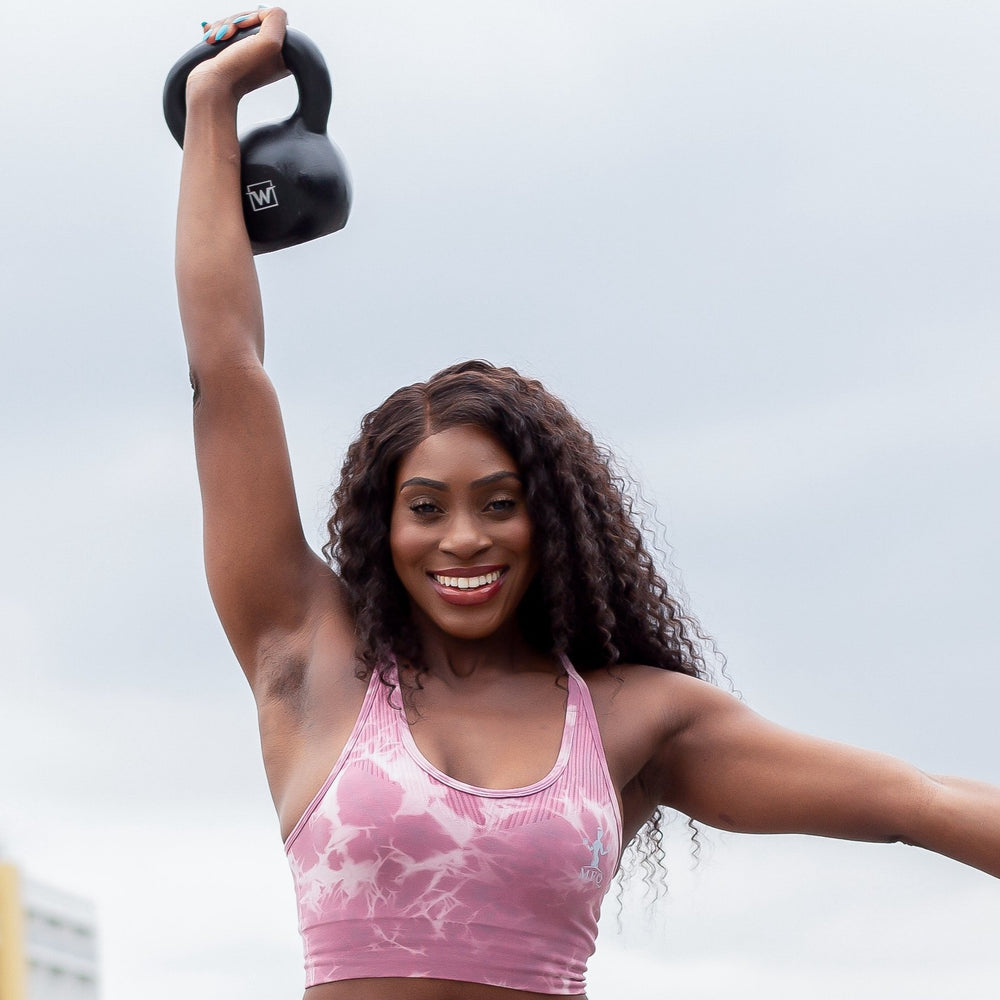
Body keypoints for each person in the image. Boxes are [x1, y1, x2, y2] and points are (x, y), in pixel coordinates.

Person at [175, 8, 1000, 999]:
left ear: (550, 522)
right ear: (383, 529)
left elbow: (918, 801)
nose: (463, 537)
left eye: (499, 502)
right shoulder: (308, 661)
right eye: (426, 507)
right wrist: (211, 106)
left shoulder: (630, 718)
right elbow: (228, 371)